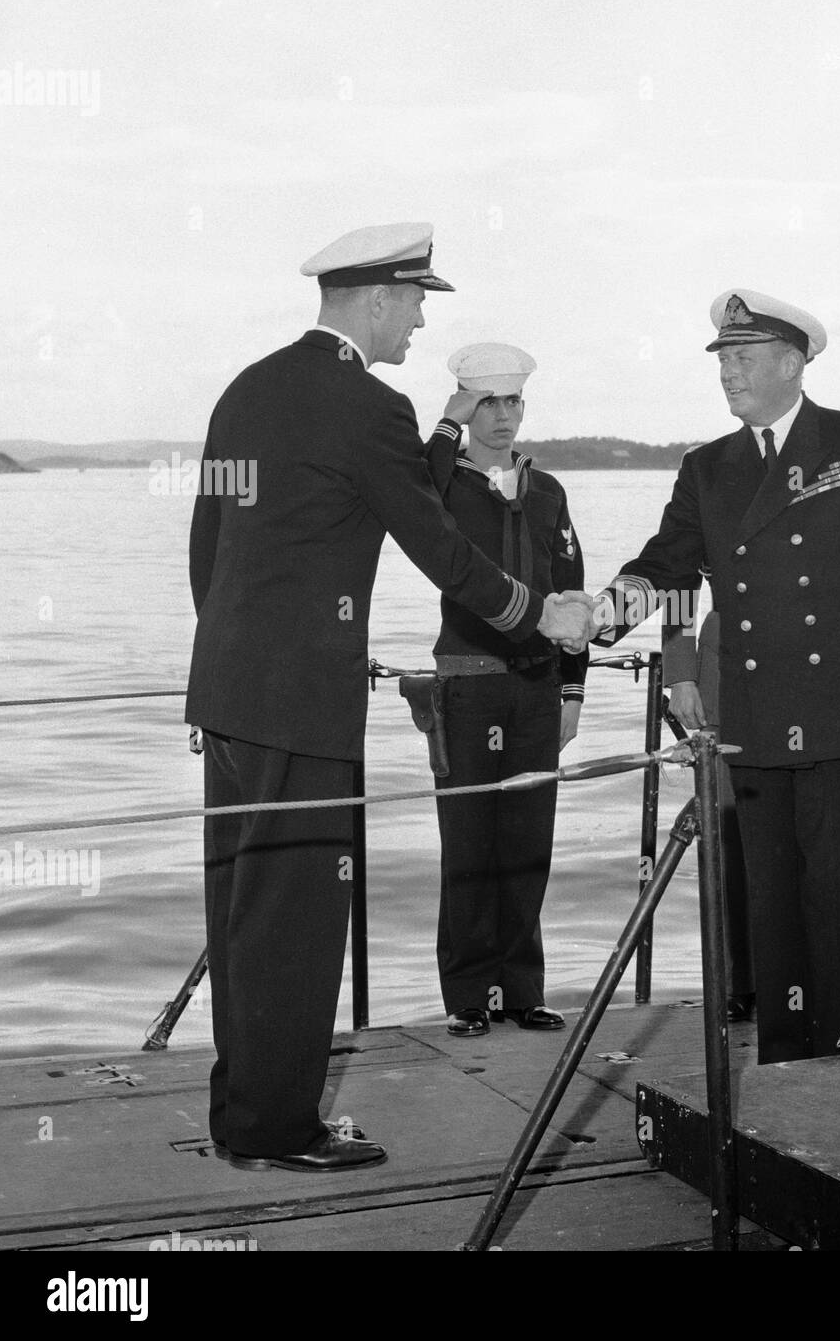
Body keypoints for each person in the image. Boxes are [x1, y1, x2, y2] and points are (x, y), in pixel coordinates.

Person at [186, 225, 593, 1173]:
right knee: (295, 918)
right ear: (373, 299)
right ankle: (283, 1129)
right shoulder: (366, 402)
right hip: (305, 705)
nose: (418, 319)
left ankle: (242, 1113)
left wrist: (234, 662)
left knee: (242, 911)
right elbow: (438, 543)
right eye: (415, 300)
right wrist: (540, 618)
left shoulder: (247, 388)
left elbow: (209, 538)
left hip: (232, 690)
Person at [585, 288, 840, 1063]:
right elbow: (671, 569)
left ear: (792, 363)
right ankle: (786, 1067)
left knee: (834, 895)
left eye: (744, 358)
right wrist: (598, 616)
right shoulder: (707, 468)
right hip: (751, 718)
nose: (728, 373)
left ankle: (834, 1059)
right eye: (723, 359)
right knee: (771, 903)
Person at [422, 343, 588, 1037]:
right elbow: (406, 483)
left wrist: (572, 694)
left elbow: (573, 594)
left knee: (527, 843)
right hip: (468, 688)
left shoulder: (548, 492)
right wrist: (446, 424)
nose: (502, 416)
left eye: (511, 402)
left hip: (535, 691)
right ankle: (467, 998)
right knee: (468, 846)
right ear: (466, 405)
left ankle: (521, 989)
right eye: (486, 402)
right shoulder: (443, 488)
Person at [661, 609, 756, 1020]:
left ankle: (792, 983)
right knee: (728, 852)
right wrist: (681, 677)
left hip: (809, 671)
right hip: (724, 674)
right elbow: (678, 584)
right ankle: (738, 985)